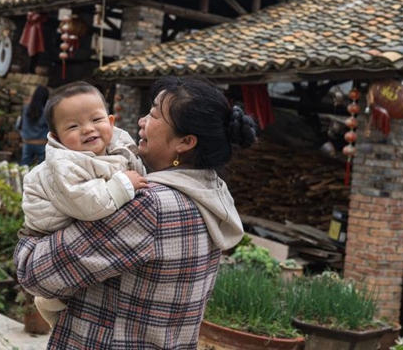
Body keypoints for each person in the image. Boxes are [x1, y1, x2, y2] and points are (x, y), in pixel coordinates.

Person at [15, 76, 256, 349]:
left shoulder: (148, 207)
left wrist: (30, 237)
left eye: (153, 115)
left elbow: (35, 274)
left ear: (185, 142)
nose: (141, 121)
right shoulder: (210, 195)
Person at [21, 81, 149, 327]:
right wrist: (124, 184)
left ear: (111, 121)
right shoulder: (63, 163)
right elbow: (89, 205)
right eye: (73, 125)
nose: (87, 129)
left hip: (76, 219)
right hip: (49, 228)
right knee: (64, 284)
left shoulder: (117, 146)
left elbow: (133, 166)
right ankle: (49, 302)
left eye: (96, 119)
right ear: (57, 137)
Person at [20, 85, 50, 166]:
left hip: (27, 142)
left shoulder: (26, 109)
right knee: (42, 168)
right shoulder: (46, 112)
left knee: (24, 166)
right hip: (42, 143)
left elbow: (21, 124)